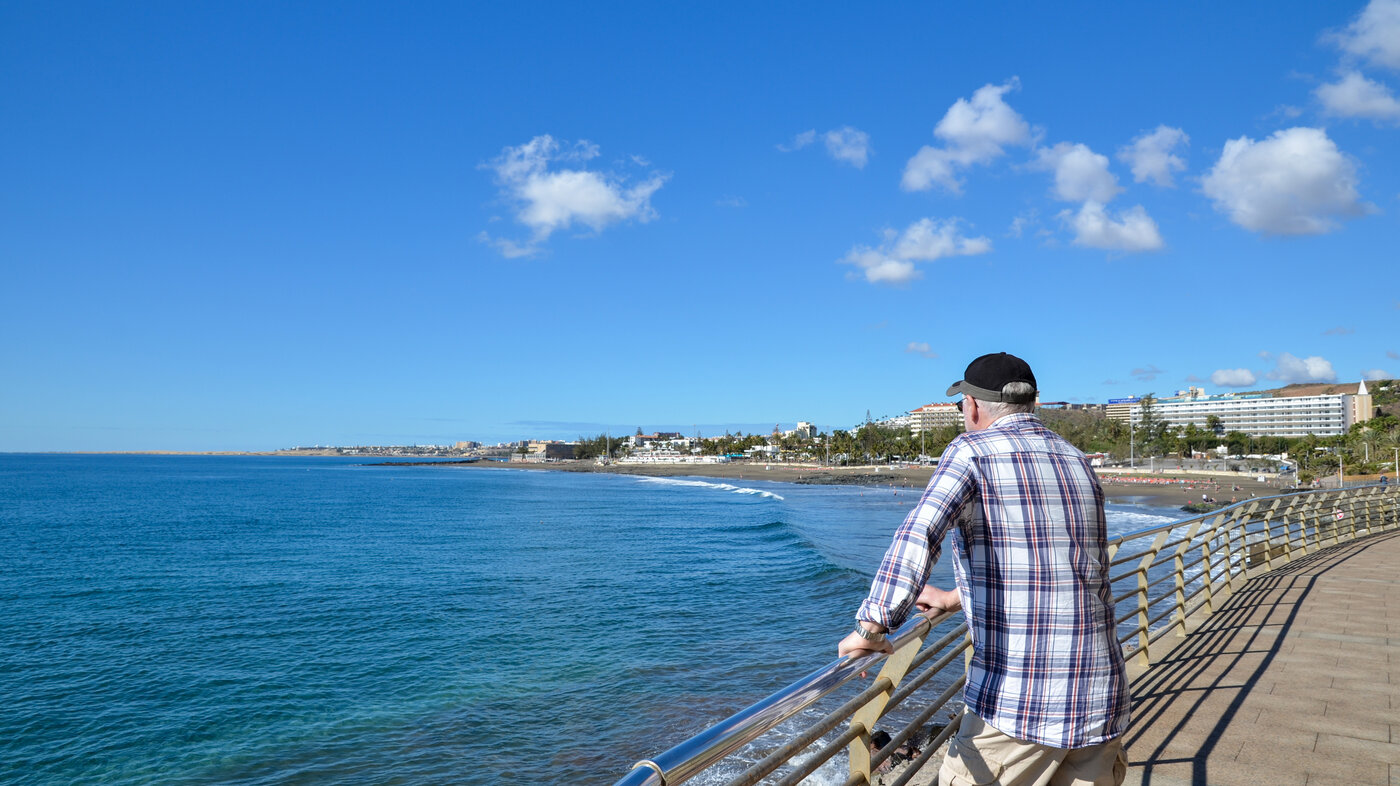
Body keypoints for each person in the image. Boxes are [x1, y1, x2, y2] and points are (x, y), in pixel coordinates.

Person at [838, 352, 1130, 786]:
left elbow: (920, 534)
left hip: (1021, 702)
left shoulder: (972, 451)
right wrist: (954, 598)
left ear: (972, 406)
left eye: (961, 407)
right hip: (1099, 693)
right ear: (1032, 402)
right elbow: (1071, 564)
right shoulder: (1076, 460)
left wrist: (873, 627)